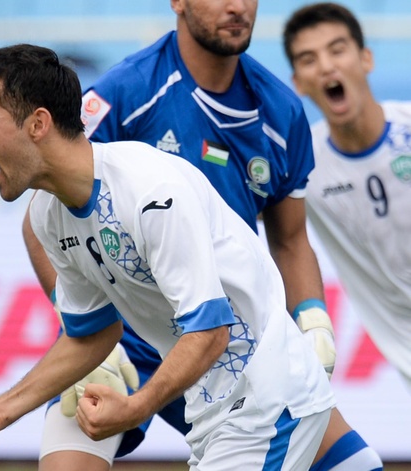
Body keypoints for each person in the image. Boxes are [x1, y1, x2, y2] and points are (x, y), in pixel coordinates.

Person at [22, 1, 383, 470]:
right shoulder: (126, 91)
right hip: (127, 339)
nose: (236, 6)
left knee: (358, 466)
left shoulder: (280, 111)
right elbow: (42, 213)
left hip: (227, 338)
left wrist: (314, 320)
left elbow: (291, 241)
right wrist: (82, 330)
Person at [0, 43, 335, 470]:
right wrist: (1, 410)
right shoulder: (47, 215)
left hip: (267, 399)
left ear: (38, 123)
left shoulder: (149, 191)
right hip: (216, 410)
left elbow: (211, 332)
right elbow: (91, 335)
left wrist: (136, 407)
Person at [284, 2, 411, 390]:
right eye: (309, 59)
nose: (326, 66)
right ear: (298, 83)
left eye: (337, 50)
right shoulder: (303, 164)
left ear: (366, 58)